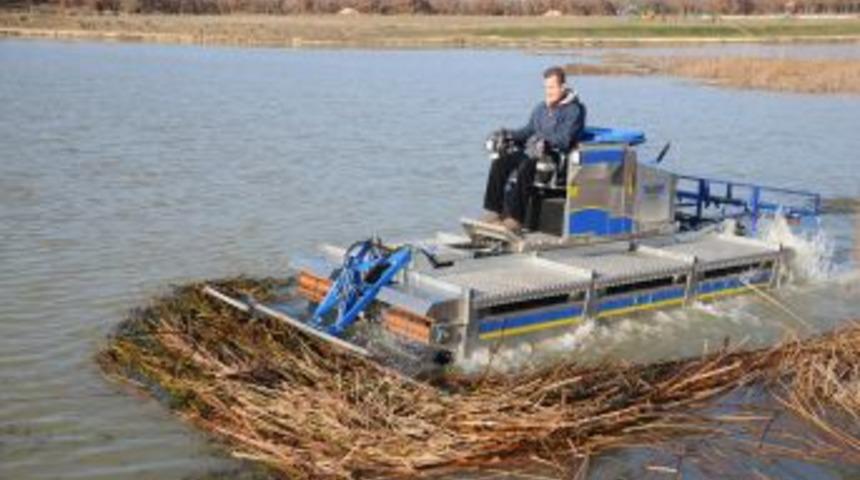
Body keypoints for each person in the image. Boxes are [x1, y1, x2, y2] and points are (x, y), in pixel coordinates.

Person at [482, 66, 586, 233]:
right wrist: (507, 134)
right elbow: (527, 131)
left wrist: (546, 142)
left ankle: (515, 220)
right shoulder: (541, 108)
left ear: (563, 87)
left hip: (553, 156)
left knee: (525, 167)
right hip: (531, 151)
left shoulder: (575, 110)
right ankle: (494, 212)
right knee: (500, 163)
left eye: (552, 87)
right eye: (546, 87)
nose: (548, 91)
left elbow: (565, 139)